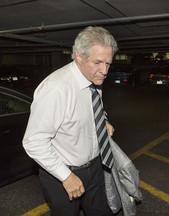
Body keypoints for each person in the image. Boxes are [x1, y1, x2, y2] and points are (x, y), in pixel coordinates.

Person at [22, 26, 118, 216]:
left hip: (95, 165)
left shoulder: (92, 78)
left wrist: (102, 120)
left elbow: (92, 106)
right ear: (78, 56)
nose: (104, 71)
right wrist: (66, 177)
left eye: (108, 64)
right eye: (98, 62)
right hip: (63, 173)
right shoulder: (56, 89)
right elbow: (33, 142)